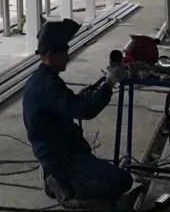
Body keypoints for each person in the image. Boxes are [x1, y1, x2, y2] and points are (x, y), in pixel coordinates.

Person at [22, 18, 136, 209]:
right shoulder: (47, 86)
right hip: (61, 159)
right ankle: (63, 186)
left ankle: (66, 180)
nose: (68, 58)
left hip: (65, 150)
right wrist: (109, 84)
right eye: (64, 54)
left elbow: (70, 103)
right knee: (122, 181)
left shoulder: (43, 78)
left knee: (114, 178)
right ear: (50, 55)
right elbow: (85, 109)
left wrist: (99, 86)